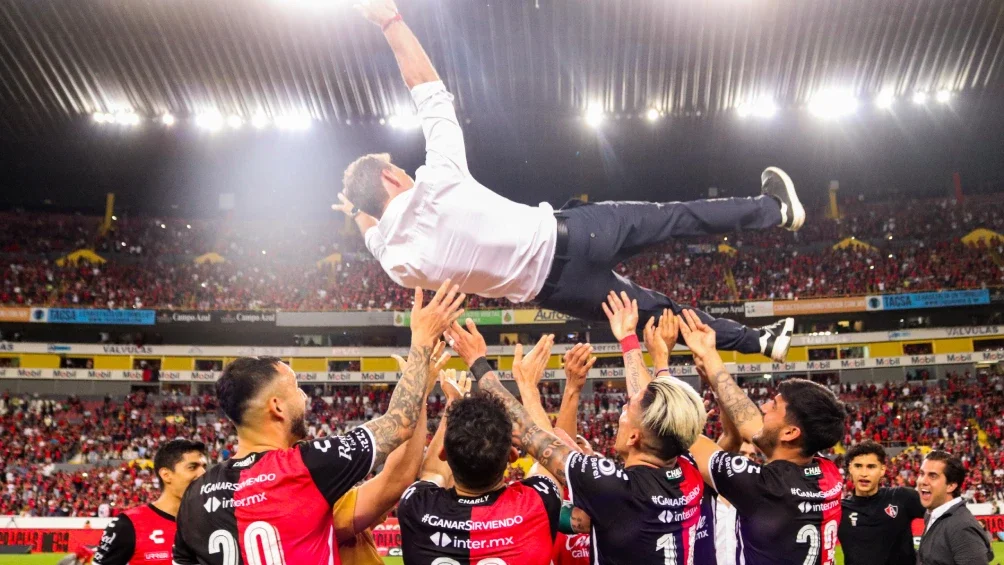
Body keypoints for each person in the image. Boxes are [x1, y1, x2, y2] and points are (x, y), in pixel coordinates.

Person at [338, 0, 800, 361]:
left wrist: (356, 209)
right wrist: (391, 21)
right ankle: (775, 210)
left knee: (661, 316)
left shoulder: (398, 263)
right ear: (390, 176)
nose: (405, 171)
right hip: (578, 234)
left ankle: (760, 342)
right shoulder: (436, 183)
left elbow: (374, 236)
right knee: (676, 218)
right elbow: (427, 89)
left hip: (561, 292)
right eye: (398, 169)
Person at [172, 282, 464, 564]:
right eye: (296, 387)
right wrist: (422, 340)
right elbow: (399, 425)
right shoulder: (304, 467)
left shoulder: (194, 496)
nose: (304, 396)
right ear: (277, 406)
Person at [446, 315, 707, 565]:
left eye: (627, 408)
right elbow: (659, 412)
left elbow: (526, 429)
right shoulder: (689, 471)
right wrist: (629, 341)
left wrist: (477, 360)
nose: (623, 409)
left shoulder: (616, 489)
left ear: (634, 437)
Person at [677, 309, 847, 565]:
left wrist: (659, 361)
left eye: (774, 406)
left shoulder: (761, 488)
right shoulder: (827, 471)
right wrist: (711, 359)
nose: (764, 408)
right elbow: (750, 423)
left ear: (790, 433)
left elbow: (682, 433)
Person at [395, 360, 562, 565]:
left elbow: (433, 472)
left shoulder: (416, 506)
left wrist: (449, 402)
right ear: (512, 456)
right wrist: (528, 389)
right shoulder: (536, 504)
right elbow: (551, 457)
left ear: (443, 454)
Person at [334, 342, 453, 565]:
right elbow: (399, 478)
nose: (304, 395)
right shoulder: (316, 506)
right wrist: (418, 394)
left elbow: (400, 480)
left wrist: (420, 396)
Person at [92, 439, 208, 565]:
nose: (203, 473)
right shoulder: (127, 524)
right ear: (166, 475)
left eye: (204, 467)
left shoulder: (214, 521)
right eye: (192, 467)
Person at [837, 440, 925, 565]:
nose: (864, 473)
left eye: (871, 467)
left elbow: (943, 514)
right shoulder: (839, 509)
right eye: (858, 466)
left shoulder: (902, 497)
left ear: (882, 469)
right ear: (850, 468)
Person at [916, 450, 993, 565]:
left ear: (951, 485)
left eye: (932, 476)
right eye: (922, 474)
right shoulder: (933, 514)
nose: (923, 481)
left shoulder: (962, 526)